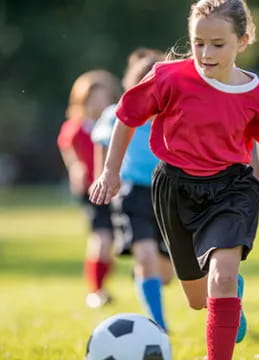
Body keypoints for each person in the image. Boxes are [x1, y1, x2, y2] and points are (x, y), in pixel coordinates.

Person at [89, 1, 259, 359]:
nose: (206, 53)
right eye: (198, 42)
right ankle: (228, 296)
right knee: (196, 300)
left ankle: (222, 314)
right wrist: (111, 171)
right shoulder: (169, 77)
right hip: (173, 188)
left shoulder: (258, 96)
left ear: (243, 39)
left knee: (220, 278)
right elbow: (126, 115)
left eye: (218, 44)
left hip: (232, 189)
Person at [91, 50, 173, 331]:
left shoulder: (174, 115)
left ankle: (144, 275)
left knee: (167, 274)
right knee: (146, 257)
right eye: (142, 82)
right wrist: (102, 175)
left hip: (169, 195)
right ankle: (159, 324)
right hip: (133, 195)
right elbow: (101, 142)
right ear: (132, 84)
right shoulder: (117, 114)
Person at [57, 70, 122, 308]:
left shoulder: (117, 125)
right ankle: (96, 290)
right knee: (102, 239)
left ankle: (104, 284)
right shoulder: (75, 128)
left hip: (117, 189)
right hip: (92, 192)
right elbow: (70, 154)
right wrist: (75, 169)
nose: (97, 104)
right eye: (91, 99)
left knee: (115, 241)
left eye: (102, 98)